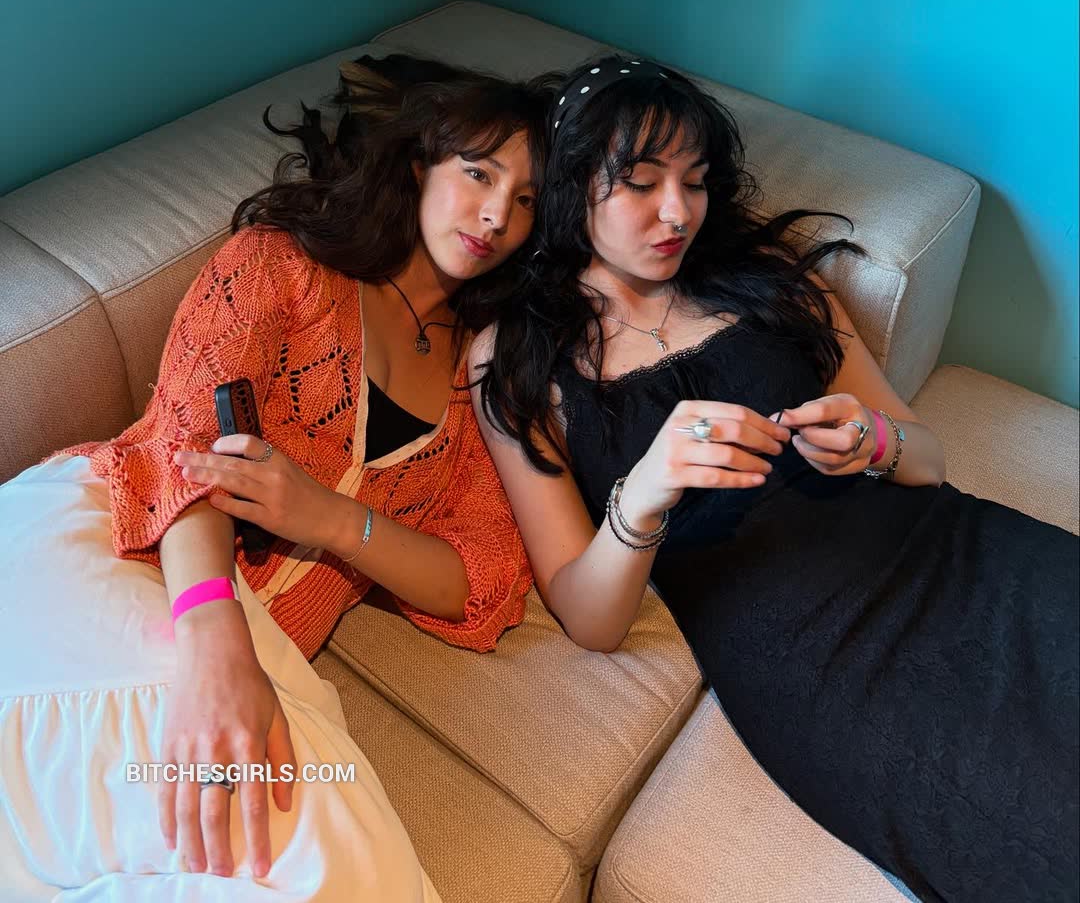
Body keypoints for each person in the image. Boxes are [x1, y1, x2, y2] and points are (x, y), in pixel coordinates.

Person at [472, 54, 1079, 903]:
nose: (677, 210)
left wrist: (871, 439)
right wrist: (643, 494)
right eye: (641, 183)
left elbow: (927, 458)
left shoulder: (772, 278)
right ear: (572, 187)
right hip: (825, 661)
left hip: (958, 556)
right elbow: (589, 616)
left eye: (694, 180)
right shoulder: (517, 360)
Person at [0, 55, 549, 900]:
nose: (495, 214)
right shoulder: (281, 265)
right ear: (420, 163)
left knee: (334, 867)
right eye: (479, 172)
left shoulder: (476, 385)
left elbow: (477, 581)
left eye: (527, 200)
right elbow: (181, 450)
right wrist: (214, 642)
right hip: (117, 547)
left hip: (264, 649)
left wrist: (331, 520)